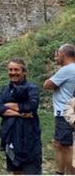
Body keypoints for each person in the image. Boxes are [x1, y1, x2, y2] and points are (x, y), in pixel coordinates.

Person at [0, 58, 42, 175]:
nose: (13, 72)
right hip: (10, 134)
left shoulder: (32, 88)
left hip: (29, 135)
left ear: (24, 72)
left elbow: (32, 105)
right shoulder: (5, 89)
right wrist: (20, 113)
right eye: (10, 70)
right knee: (16, 170)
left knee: (31, 170)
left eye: (16, 69)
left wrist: (9, 106)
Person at [43, 43, 75, 175]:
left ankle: (67, 173)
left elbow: (47, 85)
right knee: (59, 143)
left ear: (63, 54)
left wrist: (55, 84)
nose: (55, 58)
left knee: (65, 146)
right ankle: (60, 172)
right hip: (70, 112)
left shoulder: (67, 69)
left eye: (57, 54)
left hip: (64, 113)